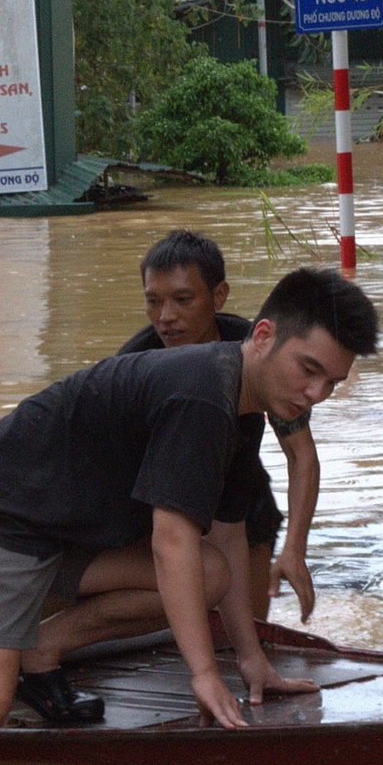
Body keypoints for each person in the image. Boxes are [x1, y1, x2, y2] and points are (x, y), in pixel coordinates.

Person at [0, 267, 380, 765]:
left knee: (213, 573)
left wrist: (251, 660)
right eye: (308, 369)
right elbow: (170, 541)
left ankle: (40, 645)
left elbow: (228, 536)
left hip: (64, 536)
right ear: (263, 336)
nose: (315, 393)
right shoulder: (200, 395)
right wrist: (202, 675)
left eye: (332, 382)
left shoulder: (244, 404)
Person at [118, 230, 321, 622]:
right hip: (159, 498)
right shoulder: (133, 364)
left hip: (241, 497)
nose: (166, 317)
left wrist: (295, 549)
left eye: (182, 299)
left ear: (219, 295)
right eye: (153, 302)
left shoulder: (257, 353)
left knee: (247, 629)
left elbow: (301, 455)